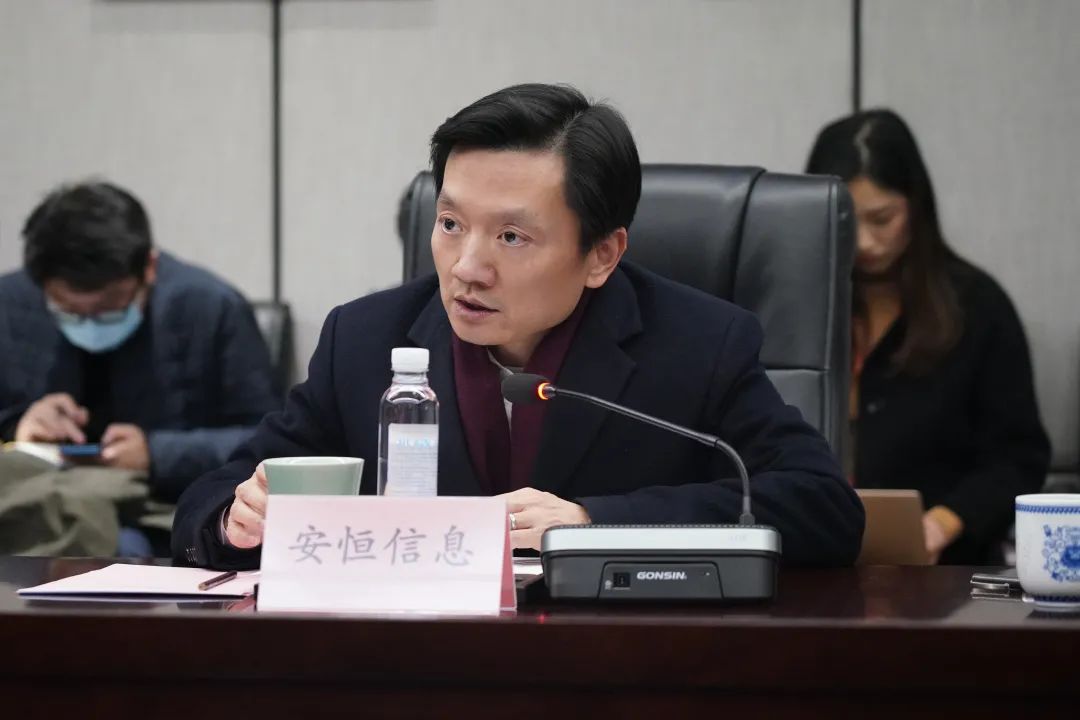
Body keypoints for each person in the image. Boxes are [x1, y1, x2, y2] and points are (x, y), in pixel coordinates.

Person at [173, 83, 863, 569]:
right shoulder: (366, 339)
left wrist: (594, 526)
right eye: (450, 223)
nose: (467, 268)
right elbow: (215, 493)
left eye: (511, 237)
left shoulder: (699, 344)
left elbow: (822, 506)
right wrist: (238, 518)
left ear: (602, 255)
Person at [806, 109, 1050, 564]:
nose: (865, 241)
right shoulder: (794, 302)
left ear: (916, 206)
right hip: (809, 562)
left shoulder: (976, 306)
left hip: (944, 571)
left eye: (882, 218)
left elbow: (1018, 458)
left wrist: (942, 523)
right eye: (848, 221)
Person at [0, 181, 280, 505]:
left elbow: (267, 441)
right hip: (36, 503)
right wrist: (18, 427)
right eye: (69, 311)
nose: (89, 323)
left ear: (149, 267)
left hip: (166, 507)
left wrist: (156, 454)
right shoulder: (10, 305)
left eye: (108, 309)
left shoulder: (211, 308)